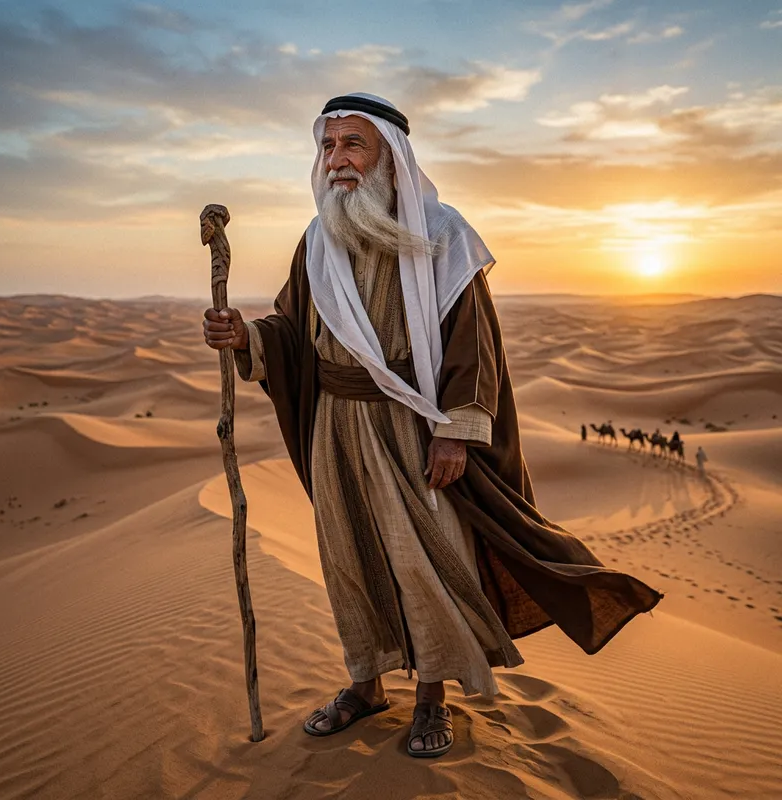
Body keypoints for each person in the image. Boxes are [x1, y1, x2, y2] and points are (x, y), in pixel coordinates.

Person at [202, 93, 661, 759]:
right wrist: (247, 336)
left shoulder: (442, 234)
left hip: (415, 424)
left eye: (353, 144)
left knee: (426, 561)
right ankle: (365, 685)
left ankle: (431, 696)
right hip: (335, 426)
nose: (337, 160)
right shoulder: (318, 239)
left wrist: (455, 432)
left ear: (391, 156)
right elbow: (294, 331)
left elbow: (475, 343)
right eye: (328, 146)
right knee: (348, 559)